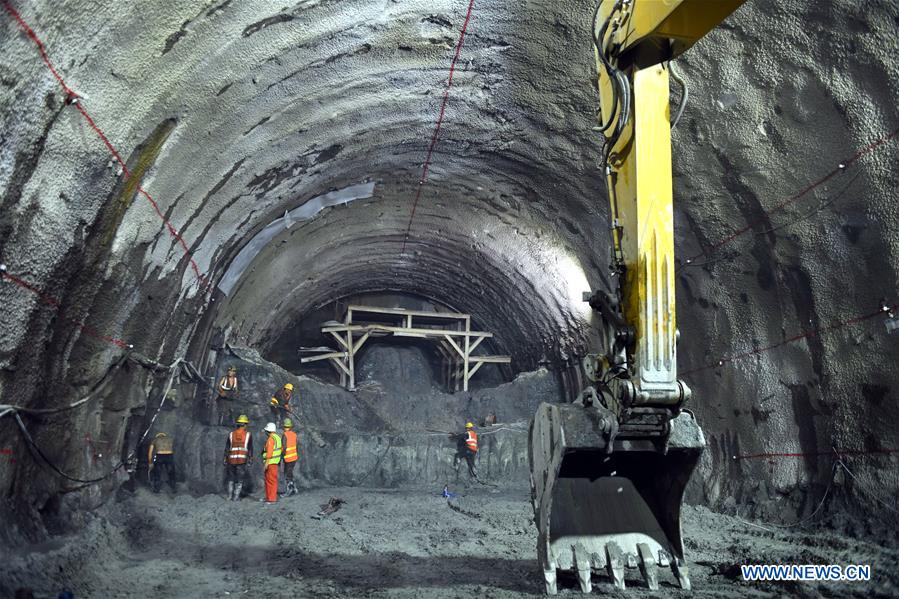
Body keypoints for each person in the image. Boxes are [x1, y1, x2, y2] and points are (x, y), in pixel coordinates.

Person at [224, 414, 254, 501]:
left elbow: (227, 448)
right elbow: (250, 448)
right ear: (245, 425)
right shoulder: (248, 435)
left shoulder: (231, 434)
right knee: (239, 479)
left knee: (231, 478)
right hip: (242, 460)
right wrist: (250, 459)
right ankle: (236, 497)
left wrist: (225, 459)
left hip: (231, 460)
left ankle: (229, 496)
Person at [261, 422, 282, 504]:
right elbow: (281, 449)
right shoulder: (277, 437)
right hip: (275, 462)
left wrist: (266, 464)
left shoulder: (270, 439)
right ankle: (268, 497)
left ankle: (271, 499)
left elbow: (269, 453)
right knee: (270, 480)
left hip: (270, 463)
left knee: (271, 481)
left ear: (268, 431)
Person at [280, 418, 299, 497]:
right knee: (290, 473)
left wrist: (281, 456)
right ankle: (294, 488)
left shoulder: (285, 435)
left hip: (287, 458)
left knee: (287, 474)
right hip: (294, 457)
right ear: (291, 427)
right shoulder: (294, 434)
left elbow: (284, 447)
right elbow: (297, 446)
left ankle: (289, 490)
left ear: (284, 426)